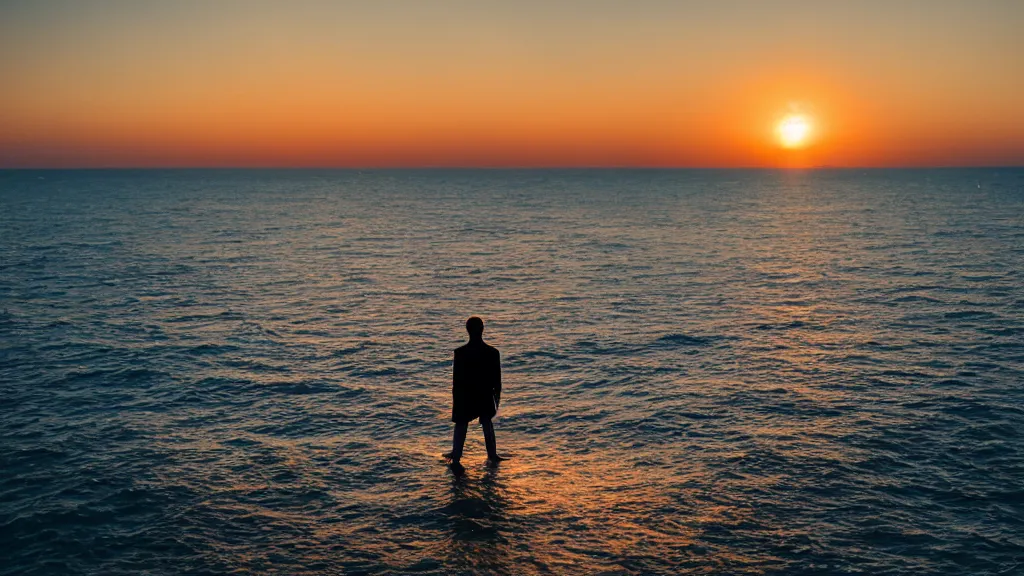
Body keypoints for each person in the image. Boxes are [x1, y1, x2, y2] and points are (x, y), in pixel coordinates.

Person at [444, 316, 504, 474]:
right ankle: (492, 455)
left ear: (467, 330)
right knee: (487, 424)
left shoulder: (460, 352)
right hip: (484, 395)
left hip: (466, 395)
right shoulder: (493, 352)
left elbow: (456, 381)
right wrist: (496, 400)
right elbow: (497, 382)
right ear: (482, 329)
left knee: (461, 424)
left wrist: (456, 401)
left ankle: (456, 456)